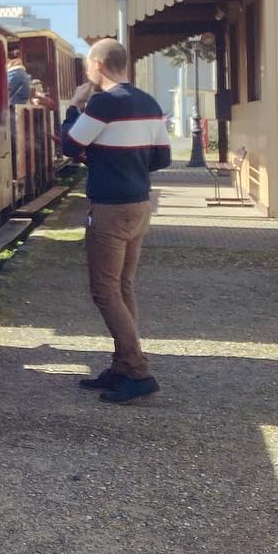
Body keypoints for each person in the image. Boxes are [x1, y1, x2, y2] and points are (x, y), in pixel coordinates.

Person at [62, 38, 172, 404]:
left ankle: (138, 371)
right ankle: (122, 365)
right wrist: (127, 163)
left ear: (97, 65)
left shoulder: (103, 103)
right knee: (123, 287)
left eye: (88, 66)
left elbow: (70, 144)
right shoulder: (149, 102)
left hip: (109, 207)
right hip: (139, 205)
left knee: (104, 290)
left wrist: (73, 107)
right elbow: (162, 158)